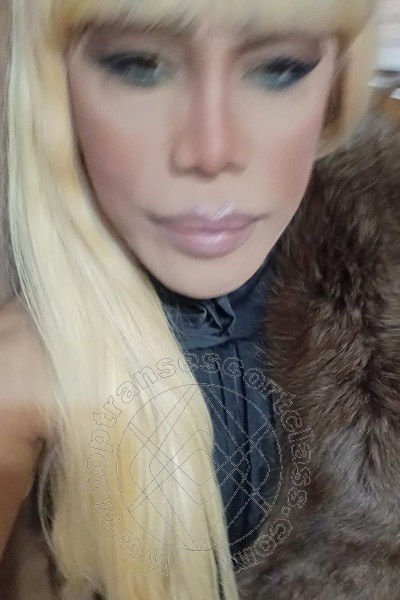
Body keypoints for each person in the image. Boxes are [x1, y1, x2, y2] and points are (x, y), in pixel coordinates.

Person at [1, 0, 398, 599]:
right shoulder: (16, 381)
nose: (211, 151)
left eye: (280, 68)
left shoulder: (384, 265)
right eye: (138, 64)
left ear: (336, 85)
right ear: (53, 82)